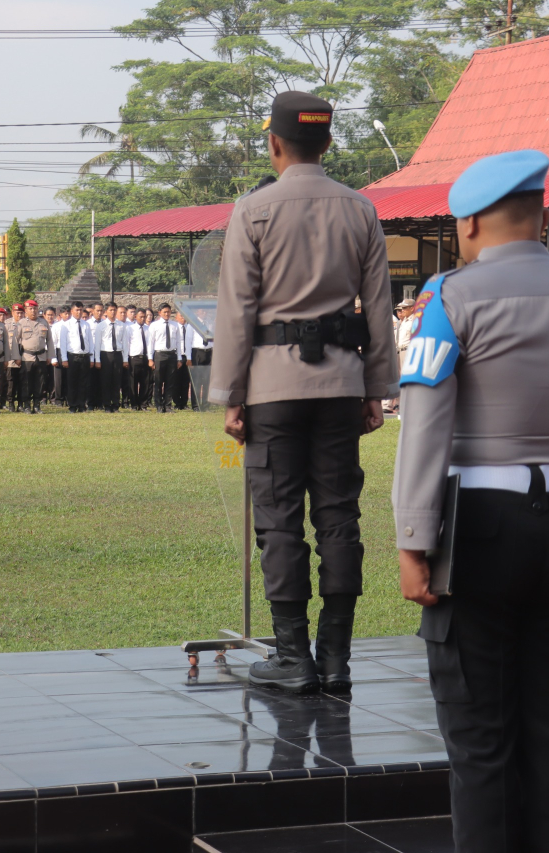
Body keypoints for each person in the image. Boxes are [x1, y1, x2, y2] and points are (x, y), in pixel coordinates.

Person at [392, 150, 549, 851]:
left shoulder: (448, 298)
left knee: (481, 743)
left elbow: (426, 424)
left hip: (478, 529)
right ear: (545, 215)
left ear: (469, 222)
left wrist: (414, 537)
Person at [211, 90, 398, 694]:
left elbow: (237, 310)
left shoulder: (254, 210)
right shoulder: (360, 209)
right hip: (342, 383)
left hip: (272, 387)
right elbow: (379, 305)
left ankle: (293, 655)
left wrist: (231, 395)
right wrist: (377, 387)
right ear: (328, 142)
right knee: (340, 516)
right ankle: (337, 656)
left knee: (279, 520)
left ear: (274, 143)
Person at [16, 299, 53, 414]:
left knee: (40, 382)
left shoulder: (44, 322)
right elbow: (15, 341)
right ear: (26, 311)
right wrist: (16, 356)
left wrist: (50, 356)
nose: (33, 311)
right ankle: (26, 405)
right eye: (30, 309)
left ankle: (37, 405)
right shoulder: (21, 323)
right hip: (27, 357)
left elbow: (50, 340)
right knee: (26, 382)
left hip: (41, 356)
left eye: (35, 309)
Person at [146, 304, 183, 413]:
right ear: (160, 312)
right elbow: (150, 343)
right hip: (159, 355)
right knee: (158, 381)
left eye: (169, 312)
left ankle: (168, 405)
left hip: (172, 355)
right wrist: (150, 358)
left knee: (170, 381)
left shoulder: (175, 325)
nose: (167, 314)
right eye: (165, 312)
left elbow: (178, 342)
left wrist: (179, 358)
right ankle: (159, 405)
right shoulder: (154, 325)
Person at [58, 300, 93, 413]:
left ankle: (82, 405)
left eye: (81, 310)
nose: (79, 312)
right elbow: (63, 343)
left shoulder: (86, 324)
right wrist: (64, 358)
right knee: (72, 382)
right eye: (77, 310)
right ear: (72, 311)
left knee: (84, 382)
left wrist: (91, 358)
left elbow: (90, 342)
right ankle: (72, 405)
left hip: (84, 356)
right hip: (72, 356)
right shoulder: (66, 325)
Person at [95, 301, 125, 412]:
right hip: (105, 354)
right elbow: (97, 344)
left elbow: (124, 343)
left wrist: (125, 359)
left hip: (117, 354)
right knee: (106, 381)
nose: (113, 312)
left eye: (114, 310)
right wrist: (97, 359)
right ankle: (106, 404)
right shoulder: (101, 326)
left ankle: (116, 404)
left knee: (117, 381)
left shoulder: (121, 325)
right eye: (110, 310)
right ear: (106, 312)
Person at [126, 308, 150, 409]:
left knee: (145, 382)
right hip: (134, 358)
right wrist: (126, 359)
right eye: (141, 317)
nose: (143, 318)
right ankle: (134, 404)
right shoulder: (130, 328)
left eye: (144, 317)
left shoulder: (148, 328)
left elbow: (150, 344)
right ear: (135, 317)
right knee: (133, 382)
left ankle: (143, 404)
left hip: (145, 358)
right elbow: (127, 344)